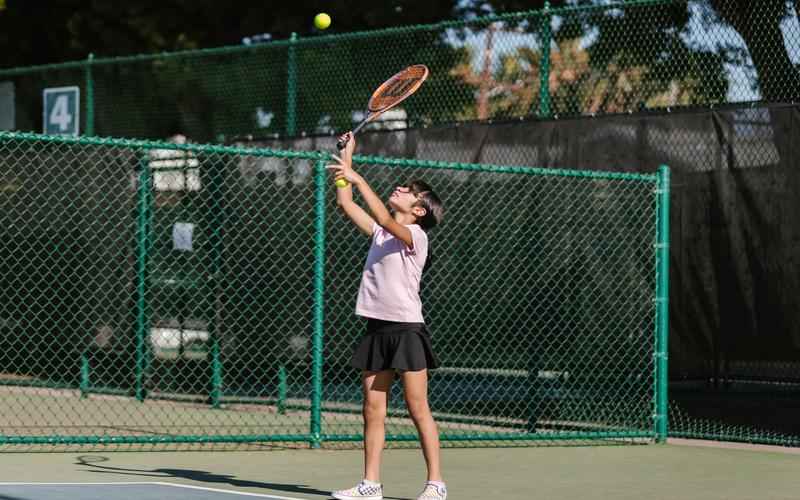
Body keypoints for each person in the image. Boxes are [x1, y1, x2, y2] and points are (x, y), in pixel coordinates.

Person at [328, 132, 447, 500]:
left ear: (419, 210)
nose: (401, 188)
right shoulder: (381, 235)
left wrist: (359, 175)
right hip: (376, 329)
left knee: (417, 408)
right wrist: (348, 159)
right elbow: (347, 204)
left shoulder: (416, 236)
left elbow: (381, 213)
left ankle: (436, 484)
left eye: (409, 190)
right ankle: (370, 485)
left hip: (407, 331)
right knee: (372, 409)